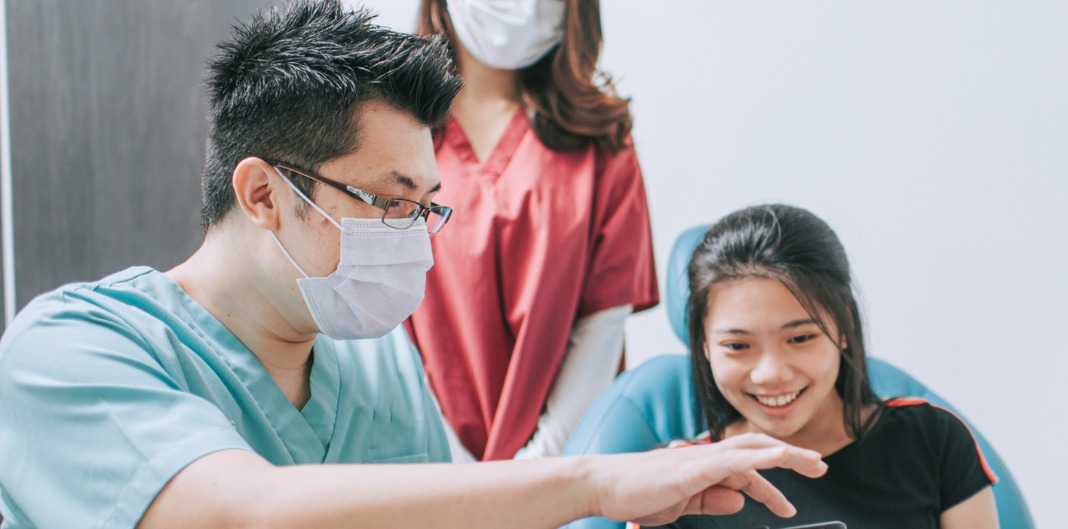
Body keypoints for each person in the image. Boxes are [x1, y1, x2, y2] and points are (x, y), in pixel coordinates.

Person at [0, 3, 823, 528]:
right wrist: (593, 484)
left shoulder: (382, 370)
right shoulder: (70, 351)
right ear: (261, 193)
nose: (417, 238)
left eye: (428, 206)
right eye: (391, 201)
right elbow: (240, 515)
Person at [404, 0, 657, 463]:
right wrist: (453, 468)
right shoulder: (393, 129)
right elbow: (379, 319)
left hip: (567, 459)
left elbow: (601, 325)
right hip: (426, 452)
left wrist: (540, 467)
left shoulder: (603, 142)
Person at [644, 205, 1001, 529]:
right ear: (704, 345)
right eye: (738, 345)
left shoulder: (930, 440)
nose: (771, 374)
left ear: (844, 325)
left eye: (800, 338)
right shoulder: (675, 482)